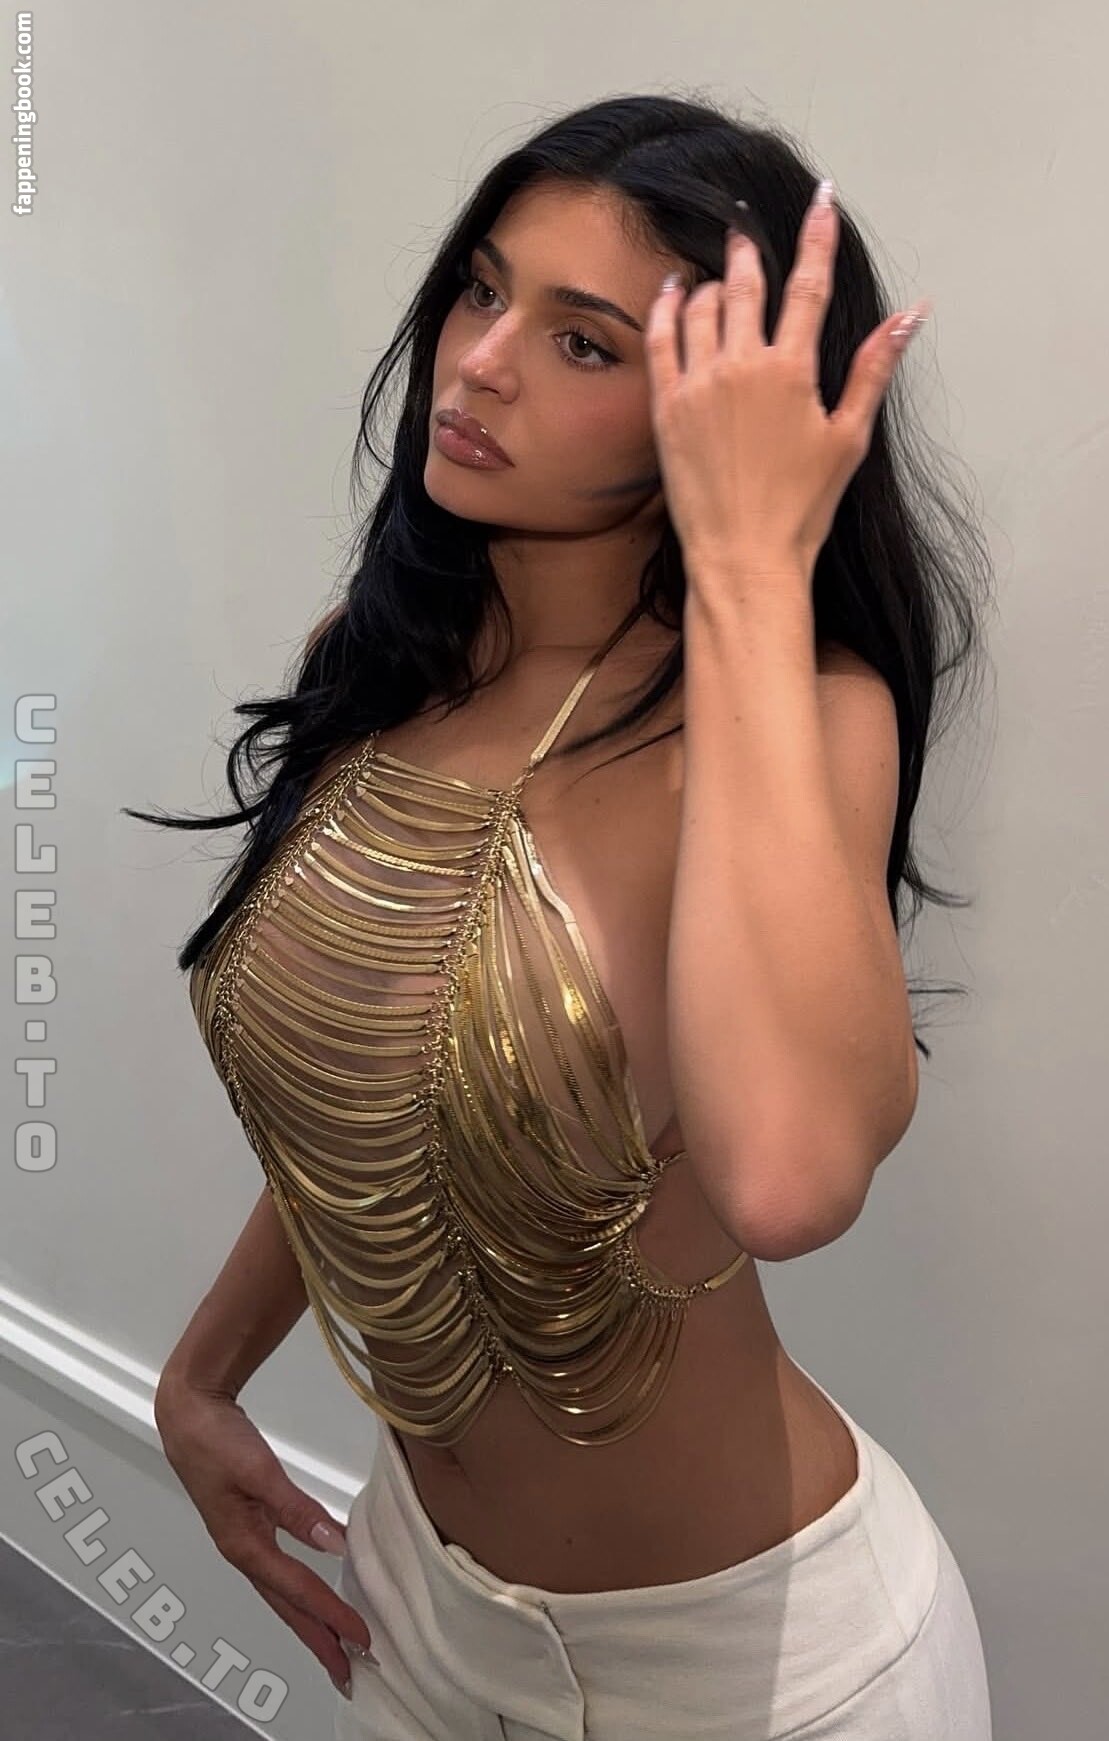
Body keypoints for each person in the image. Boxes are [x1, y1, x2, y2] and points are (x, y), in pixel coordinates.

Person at [133, 92, 994, 1741]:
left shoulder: (801, 720)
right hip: (419, 1612)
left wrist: (750, 571)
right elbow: (385, 1098)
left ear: (716, 417)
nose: (476, 364)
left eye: (584, 341)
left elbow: (789, 1176)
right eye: (480, 288)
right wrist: (201, 1370)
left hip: (761, 1678)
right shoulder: (374, 668)